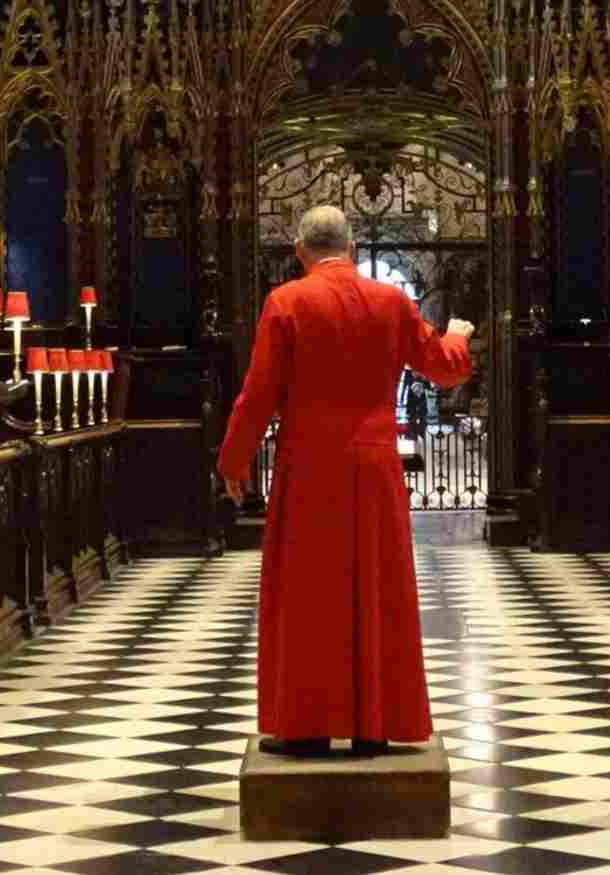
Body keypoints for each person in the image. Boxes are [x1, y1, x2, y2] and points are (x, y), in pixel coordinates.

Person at [217, 205, 474, 757]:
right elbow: (442, 365)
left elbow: (258, 394)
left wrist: (234, 462)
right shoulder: (391, 301)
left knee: (307, 594)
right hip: (376, 466)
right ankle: (371, 725)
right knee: (377, 590)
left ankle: (306, 726)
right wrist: (457, 336)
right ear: (352, 248)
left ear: (299, 251)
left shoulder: (285, 302)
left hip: (308, 467)